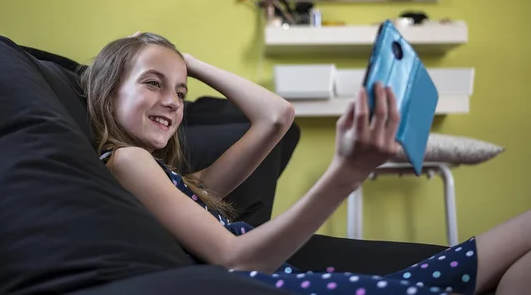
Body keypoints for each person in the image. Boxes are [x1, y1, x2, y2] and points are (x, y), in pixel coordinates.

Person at [80, 32, 530, 295]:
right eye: (152, 84)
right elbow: (236, 260)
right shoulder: (127, 159)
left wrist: (185, 61)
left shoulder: (183, 184)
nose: (171, 102)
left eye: (179, 92)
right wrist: (347, 173)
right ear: (107, 90)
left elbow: (277, 116)